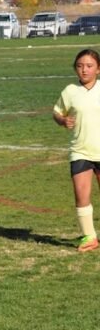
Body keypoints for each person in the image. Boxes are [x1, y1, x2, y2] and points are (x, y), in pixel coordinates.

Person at [53, 48, 100, 252]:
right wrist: (62, 120)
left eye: (89, 66)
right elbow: (56, 112)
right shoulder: (70, 91)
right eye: (80, 66)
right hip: (80, 151)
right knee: (81, 196)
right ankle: (89, 238)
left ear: (98, 69)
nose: (84, 70)